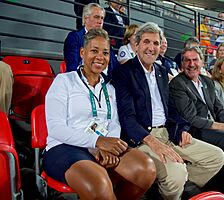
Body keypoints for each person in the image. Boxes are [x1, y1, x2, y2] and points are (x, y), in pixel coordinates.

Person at [112, 22, 224, 200]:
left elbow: (171, 110)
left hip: (168, 134)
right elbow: (127, 117)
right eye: (147, 42)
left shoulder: (161, 71)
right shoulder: (124, 72)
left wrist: (182, 129)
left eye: (156, 43)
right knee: (177, 174)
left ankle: (167, 189)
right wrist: (153, 142)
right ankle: (174, 186)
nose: (151, 48)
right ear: (137, 45)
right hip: (143, 139)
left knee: (216, 157)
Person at [44, 28, 156, 200]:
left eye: (105, 53)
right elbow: (56, 129)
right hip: (64, 147)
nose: (100, 57)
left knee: (145, 169)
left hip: (102, 145)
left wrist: (108, 146)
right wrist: (96, 142)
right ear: (82, 52)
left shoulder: (109, 88)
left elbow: (114, 122)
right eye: (94, 51)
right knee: (100, 184)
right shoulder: (64, 81)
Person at [169, 46, 224, 155]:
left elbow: (219, 110)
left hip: (214, 125)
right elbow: (191, 118)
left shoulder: (207, 81)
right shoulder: (178, 84)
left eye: (195, 60)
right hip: (196, 129)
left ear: (202, 62)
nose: (191, 64)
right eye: (187, 60)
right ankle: (223, 172)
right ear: (182, 64)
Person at [64, 3, 119, 81]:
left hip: (107, 83)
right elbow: (72, 67)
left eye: (102, 18)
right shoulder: (74, 37)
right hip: (81, 83)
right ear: (86, 18)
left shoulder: (105, 41)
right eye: (96, 17)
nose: (100, 21)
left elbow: (115, 66)